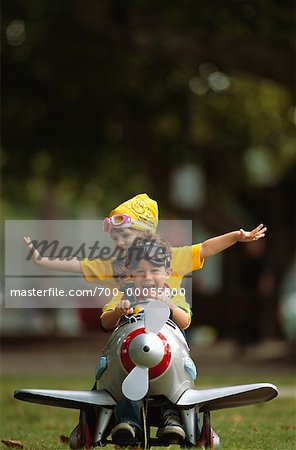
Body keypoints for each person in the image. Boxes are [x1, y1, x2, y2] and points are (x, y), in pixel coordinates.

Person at [24, 192, 267, 317]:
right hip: (128, 331)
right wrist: (42, 260)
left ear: (147, 233)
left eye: (125, 236)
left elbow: (204, 248)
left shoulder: (171, 256)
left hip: (169, 329)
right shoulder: (115, 265)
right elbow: (79, 265)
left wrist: (236, 236)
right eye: (116, 237)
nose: (120, 242)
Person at [106, 234, 190, 445]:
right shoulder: (124, 295)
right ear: (130, 274)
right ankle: (127, 423)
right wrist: (117, 312)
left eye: (155, 271)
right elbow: (106, 322)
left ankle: (172, 419)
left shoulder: (173, 294)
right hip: (132, 359)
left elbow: (185, 321)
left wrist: (170, 307)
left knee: (173, 383)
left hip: (167, 358)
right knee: (125, 384)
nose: (148, 278)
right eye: (140, 272)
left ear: (167, 273)